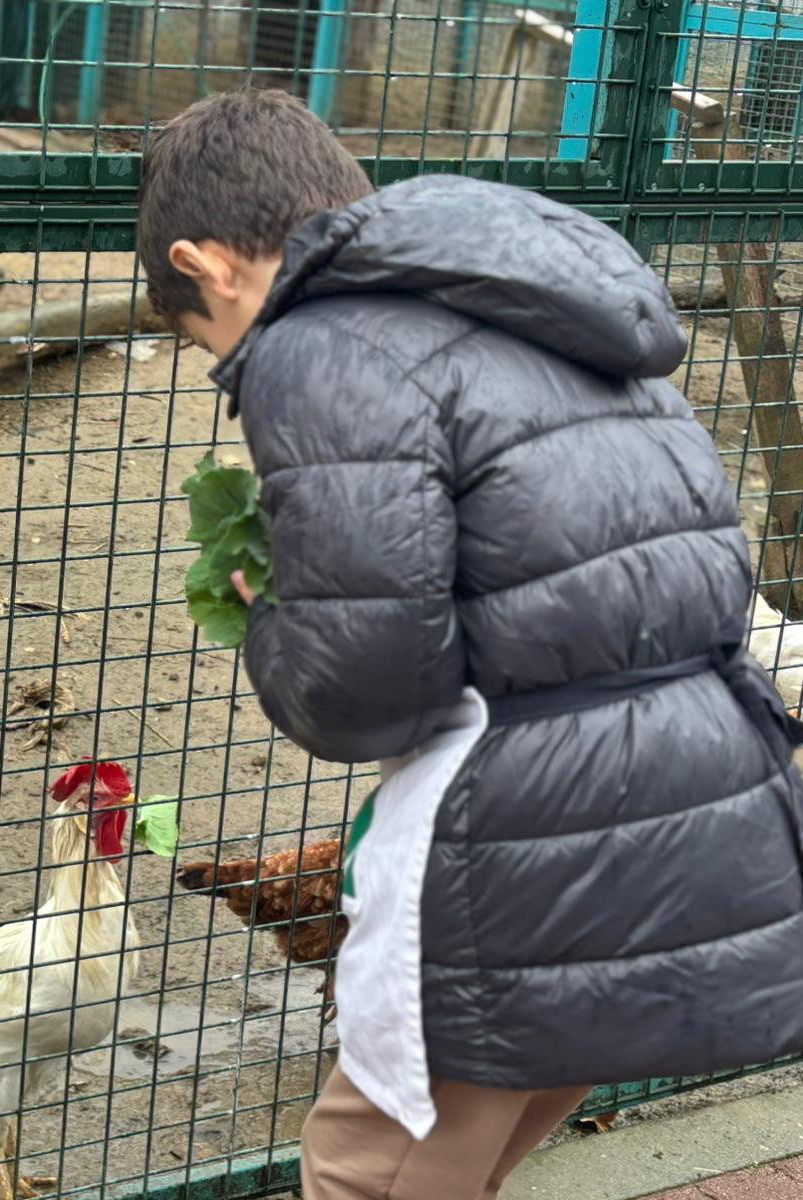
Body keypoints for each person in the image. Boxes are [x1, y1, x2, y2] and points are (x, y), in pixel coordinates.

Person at [139, 88, 803, 1200]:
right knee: (469, 1159)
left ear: (204, 265)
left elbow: (367, 693)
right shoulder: (543, 309)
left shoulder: (319, 344)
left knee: (364, 1167)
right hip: (698, 790)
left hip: (531, 833)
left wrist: (273, 613)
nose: (228, 365)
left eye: (204, 338)